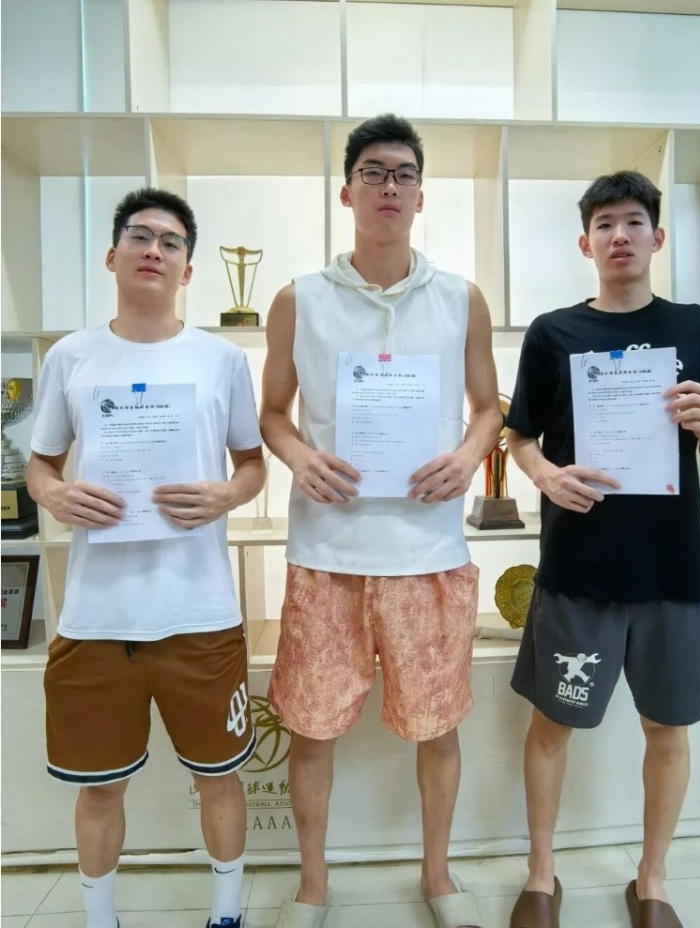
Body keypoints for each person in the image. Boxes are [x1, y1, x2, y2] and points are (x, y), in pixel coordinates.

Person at [259, 113, 502, 928]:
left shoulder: (461, 298)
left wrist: (468, 458)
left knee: (439, 728)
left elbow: (488, 408)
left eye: (403, 173)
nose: (388, 186)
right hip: (327, 551)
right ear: (347, 192)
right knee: (311, 729)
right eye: (372, 172)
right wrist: (300, 457)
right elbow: (272, 413)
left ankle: (438, 876)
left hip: (428, 551)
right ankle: (312, 884)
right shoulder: (299, 299)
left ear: (421, 195)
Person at [505, 170, 700, 928]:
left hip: (673, 570)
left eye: (634, 221)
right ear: (586, 243)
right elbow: (519, 437)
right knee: (553, 725)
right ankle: (541, 875)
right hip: (578, 567)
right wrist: (546, 476)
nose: (620, 235)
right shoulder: (553, 333)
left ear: (657, 237)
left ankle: (652, 880)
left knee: (667, 728)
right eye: (605, 224)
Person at [28, 188, 266, 928]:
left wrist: (226, 495)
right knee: (98, 787)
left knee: (219, 779)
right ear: (113, 256)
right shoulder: (70, 356)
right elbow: (40, 465)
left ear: (188, 269)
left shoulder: (221, 358)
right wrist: (56, 495)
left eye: (171, 242)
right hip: (97, 617)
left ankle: (225, 914)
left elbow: (252, 464)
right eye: (140, 236)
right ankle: (101, 919)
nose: (154, 250)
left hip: (199, 612)